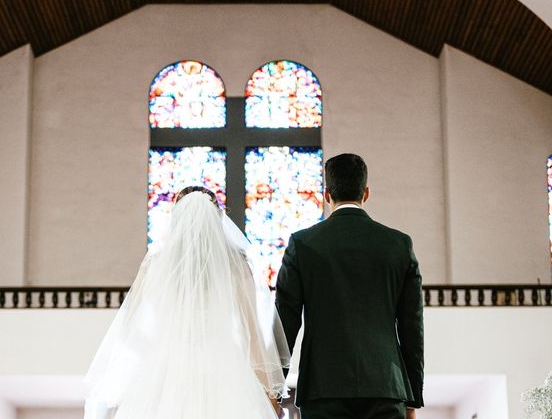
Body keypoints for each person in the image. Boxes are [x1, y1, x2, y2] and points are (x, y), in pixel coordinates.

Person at [83, 186, 290, 419]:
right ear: (218, 219)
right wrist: (269, 394)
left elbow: (132, 327)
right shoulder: (236, 267)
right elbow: (253, 334)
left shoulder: (156, 264)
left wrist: (128, 379)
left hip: (167, 370)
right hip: (224, 368)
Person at [276, 153, 424, 419]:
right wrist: (412, 398)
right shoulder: (399, 245)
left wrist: (276, 390)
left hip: (322, 387)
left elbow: (286, 321)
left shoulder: (303, 244)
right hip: (385, 387)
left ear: (326, 194)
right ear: (365, 193)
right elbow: (412, 327)